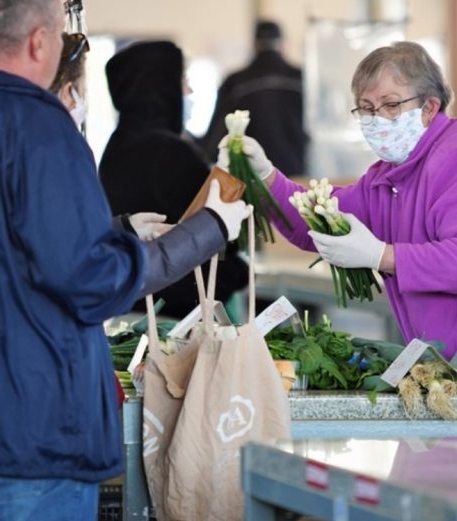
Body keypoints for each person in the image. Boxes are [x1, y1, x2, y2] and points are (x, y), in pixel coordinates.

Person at [0, 0, 250, 521]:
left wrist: (117, 232)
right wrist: (210, 229)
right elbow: (93, 280)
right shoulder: (41, 129)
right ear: (40, 42)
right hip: (34, 431)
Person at [220, 41, 457, 434]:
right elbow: (320, 219)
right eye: (366, 108)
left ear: (430, 107)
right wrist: (265, 177)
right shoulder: (389, 176)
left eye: (391, 104)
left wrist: (382, 254)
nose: (377, 118)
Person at [100, 40, 249, 320]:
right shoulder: (169, 151)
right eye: (182, 79)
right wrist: (238, 272)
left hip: (134, 307)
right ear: (159, 86)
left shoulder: (117, 145)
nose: (189, 90)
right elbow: (213, 230)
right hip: (180, 316)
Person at [51, 31, 171, 243]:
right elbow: (74, 247)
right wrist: (212, 225)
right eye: (83, 91)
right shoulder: (61, 154)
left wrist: (123, 228)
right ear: (68, 92)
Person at [201, 20, 307, 176]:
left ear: (254, 44)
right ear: (284, 44)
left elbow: (217, 134)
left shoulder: (236, 82)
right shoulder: (303, 79)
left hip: (253, 178)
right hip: (299, 173)